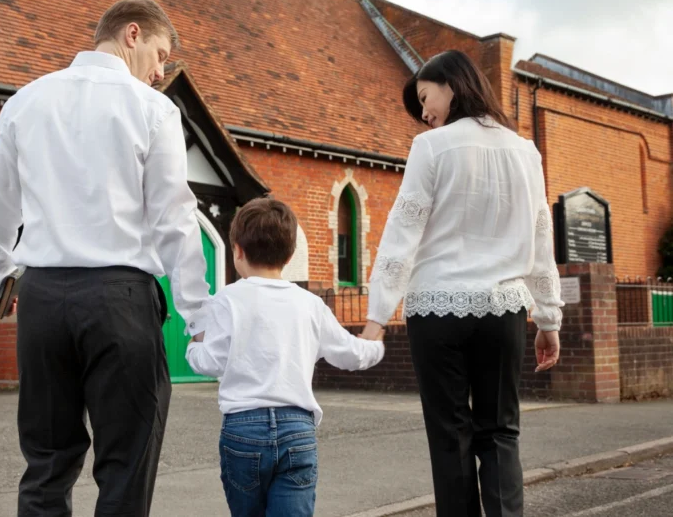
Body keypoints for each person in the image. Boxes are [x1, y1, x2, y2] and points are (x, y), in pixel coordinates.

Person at [0, 0, 212, 517]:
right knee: (125, 464)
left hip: (40, 303)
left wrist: (0, 276)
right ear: (132, 34)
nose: (160, 71)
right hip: (119, 301)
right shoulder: (152, 110)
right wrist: (199, 316)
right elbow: (174, 217)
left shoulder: (26, 101)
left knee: (46, 463)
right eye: (160, 54)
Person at [361, 50, 563, 517]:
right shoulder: (525, 151)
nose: (425, 113)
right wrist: (548, 317)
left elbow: (402, 232)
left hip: (436, 311)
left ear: (452, 84)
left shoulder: (430, 148)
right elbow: (540, 235)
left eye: (425, 98)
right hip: (504, 311)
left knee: (450, 436)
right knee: (501, 433)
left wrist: (376, 316)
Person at [186, 197, 385, 517]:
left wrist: (194, 346)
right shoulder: (310, 304)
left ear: (237, 250)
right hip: (297, 428)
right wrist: (375, 340)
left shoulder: (227, 300)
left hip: (243, 428)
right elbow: (352, 355)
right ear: (290, 254)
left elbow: (210, 362)